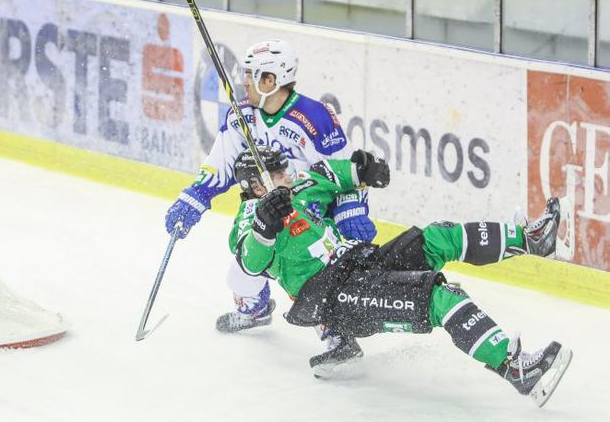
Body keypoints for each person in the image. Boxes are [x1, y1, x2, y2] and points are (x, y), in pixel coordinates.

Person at [234, 147, 572, 407]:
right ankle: (515, 368)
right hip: (336, 298)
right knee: (441, 297)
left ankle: (532, 240)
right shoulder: (250, 218)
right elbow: (250, 262)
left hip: (362, 262)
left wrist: (363, 168)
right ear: (256, 185)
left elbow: (333, 174)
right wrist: (264, 225)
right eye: (278, 173)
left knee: (437, 238)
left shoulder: (298, 190)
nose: (287, 175)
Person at [166, 39, 374, 331]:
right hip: (268, 214)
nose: (244, 82)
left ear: (271, 80)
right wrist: (194, 197)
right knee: (242, 273)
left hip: (313, 219)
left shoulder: (315, 117)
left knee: (315, 278)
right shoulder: (241, 116)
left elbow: (343, 171)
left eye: (250, 74)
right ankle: (256, 309)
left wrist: (350, 211)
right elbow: (220, 165)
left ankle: (334, 331)